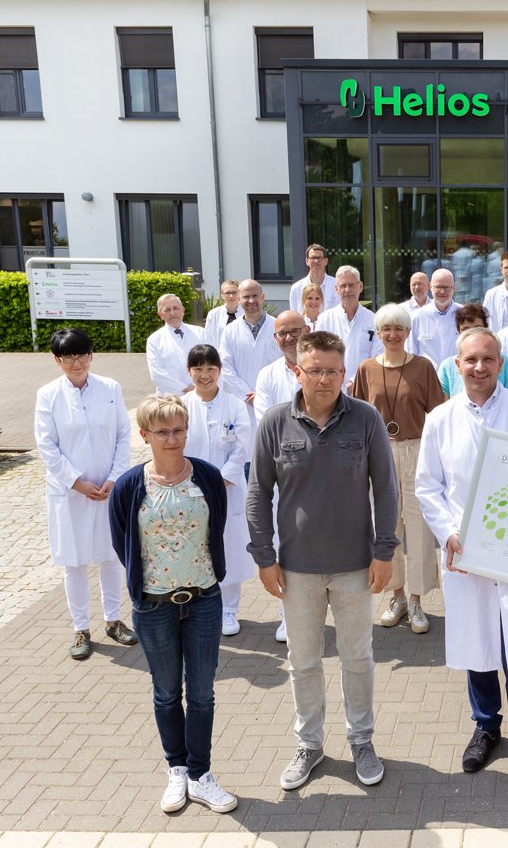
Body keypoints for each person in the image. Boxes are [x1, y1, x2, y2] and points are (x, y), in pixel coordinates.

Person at [246, 330, 399, 792]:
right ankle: (309, 745)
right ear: (298, 371)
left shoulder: (366, 419)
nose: (325, 379)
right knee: (303, 661)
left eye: (333, 370)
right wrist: (263, 556)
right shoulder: (274, 422)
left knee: (357, 659)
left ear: (344, 372)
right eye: (315, 370)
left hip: (356, 566)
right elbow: (257, 493)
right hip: (295, 570)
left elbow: (387, 489)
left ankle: (361, 741)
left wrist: (384, 551)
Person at [413, 327, 508, 803]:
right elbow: (427, 487)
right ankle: (485, 728)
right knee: (477, 644)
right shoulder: (439, 419)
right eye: (470, 360)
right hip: (465, 554)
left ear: (501, 364)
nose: (479, 367)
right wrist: (450, 532)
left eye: (488, 359)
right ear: (456, 365)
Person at [108, 394, 237, 815]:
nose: (172, 438)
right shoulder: (130, 485)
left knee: (201, 694)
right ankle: (176, 769)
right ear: (144, 434)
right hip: (154, 606)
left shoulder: (208, 477)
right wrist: (152, 584)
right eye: (162, 431)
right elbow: (123, 542)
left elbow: (216, 524)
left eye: (179, 429)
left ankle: (201, 775)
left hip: (203, 601)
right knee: (166, 693)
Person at [34, 327, 136, 661]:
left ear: (91, 355)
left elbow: (124, 435)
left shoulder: (110, 388)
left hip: (108, 490)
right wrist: (75, 481)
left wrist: (115, 478)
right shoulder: (48, 394)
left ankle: (113, 620)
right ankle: (81, 628)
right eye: (68, 357)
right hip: (71, 493)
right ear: (57, 360)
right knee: (74, 562)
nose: (76, 362)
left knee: (110, 557)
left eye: (81, 355)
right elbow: (47, 446)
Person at [351, 304, 445, 635]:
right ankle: (397, 595)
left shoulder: (423, 367)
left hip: (417, 449)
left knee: (419, 527)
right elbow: (357, 416)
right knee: (386, 526)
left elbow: (438, 415)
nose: (392, 335)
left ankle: (418, 600)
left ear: (408, 333)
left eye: (399, 329)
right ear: (378, 333)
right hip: (380, 452)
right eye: (386, 329)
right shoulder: (366, 368)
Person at [182, 345, 256, 637]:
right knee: (194, 546)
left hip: (228, 489)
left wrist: (219, 481)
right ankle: (199, 606)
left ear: (219, 371)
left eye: (210, 369)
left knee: (229, 548)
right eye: (198, 369)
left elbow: (241, 448)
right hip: (190, 488)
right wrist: (193, 481)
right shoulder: (181, 405)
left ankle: (228, 610)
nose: (204, 375)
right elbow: (177, 447)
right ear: (189, 371)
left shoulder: (235, 404)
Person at [252, 310, 309, 643]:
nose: (289, 338)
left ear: (308, 330)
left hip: (319, 473)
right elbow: (266, 423)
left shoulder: (317, 368)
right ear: (275, 339)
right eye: (282, 333)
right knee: (283, 545)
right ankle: (286, 615)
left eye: (295, 331)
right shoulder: (267, 376)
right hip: (282, 473)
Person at [219, 279, 281, 434]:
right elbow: (226, 368)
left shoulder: (279, 327)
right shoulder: (230, 331)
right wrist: (248, 395)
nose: (251, 301)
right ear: (238, 299)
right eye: (246, 297)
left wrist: (262, 394)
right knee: (245, 450)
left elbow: (285, 363)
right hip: (242, 402)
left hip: (274, 399)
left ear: (263, 297)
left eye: (255, 296)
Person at [316, 266, 382, 387]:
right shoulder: (325, 320)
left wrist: (354, 383)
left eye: (351, 285)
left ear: (360, 287)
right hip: (332, 387)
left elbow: (377, 357)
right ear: (336, 289)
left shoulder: (374, 320)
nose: (347, 290)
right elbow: (319, 355)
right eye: (343, 286)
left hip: (365, 386)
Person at [437, 304, 508, 395]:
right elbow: (444, 404)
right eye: (466, 329)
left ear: (486, 329)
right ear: (458, 331)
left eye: (477, 328)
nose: (472, 334)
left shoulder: (505, 363)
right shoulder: (447, 367)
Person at [147, 294, 207, 395]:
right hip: (170, 399)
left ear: (183, 310)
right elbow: (157, 374)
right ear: (160, 315)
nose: (172, 313)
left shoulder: (201, 333)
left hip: (201, 394)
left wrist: (199, 388)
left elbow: (212, 363)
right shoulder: (154, 340)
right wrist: (184, 390)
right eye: (167, 310)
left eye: (175, 308)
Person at [408, 268, 462, 365]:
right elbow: (411, 352)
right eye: (438, 287)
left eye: (447, 287)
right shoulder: (417, 316)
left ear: (454, 288)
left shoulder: (464, 313)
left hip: (457, 376)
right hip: (426, 377)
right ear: (430, 287)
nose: (442, 291)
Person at [288, 244, 340, 314]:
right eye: (313, 258)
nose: (316, 261)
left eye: (319, 258)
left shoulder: (338, 285)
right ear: (307, 261)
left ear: (326, 261)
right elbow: (294, 317)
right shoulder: (296, 288)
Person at [483, 251, 508, 332]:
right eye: (506, 267)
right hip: (498, 342)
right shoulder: (491, 295)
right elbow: (484, 321)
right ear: (501, 270)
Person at [204, 280, 241, 347]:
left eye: (234, 292)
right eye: (227, 293)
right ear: (222, 295)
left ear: (239, 294)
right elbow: (208, 338)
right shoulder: (213, 314)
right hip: (220, 355)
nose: (231, 296)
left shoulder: (247, 313)